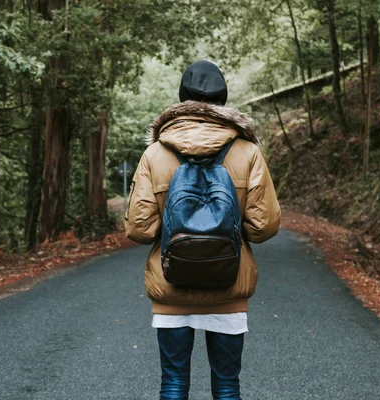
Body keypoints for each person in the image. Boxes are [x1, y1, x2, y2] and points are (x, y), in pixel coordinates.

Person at [125, 60, 281, 400]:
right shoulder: (248, 152)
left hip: (171, 285)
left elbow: (139, 228)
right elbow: (264, 226)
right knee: (227, 386)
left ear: (181, 101)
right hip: (229, 287)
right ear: (223, 101)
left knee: (173, 383)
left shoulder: (154, 153)